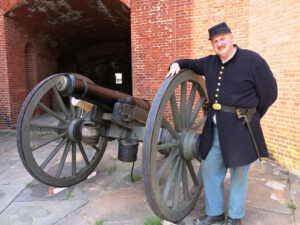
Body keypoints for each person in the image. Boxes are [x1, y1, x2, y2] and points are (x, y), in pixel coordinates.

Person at [166, 22, 277, 225]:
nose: (219, 44)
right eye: (215, 41)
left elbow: (270, 92)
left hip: (241, 128)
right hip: (214, 128)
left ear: (231, 38)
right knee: (209, 168)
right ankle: (214, 214)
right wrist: (176, 63)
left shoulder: (253, 61)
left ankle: (235, 219)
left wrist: (254, 116)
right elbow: (190, 63)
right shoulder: (210, 62)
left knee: (238, 175)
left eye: (223, 39)